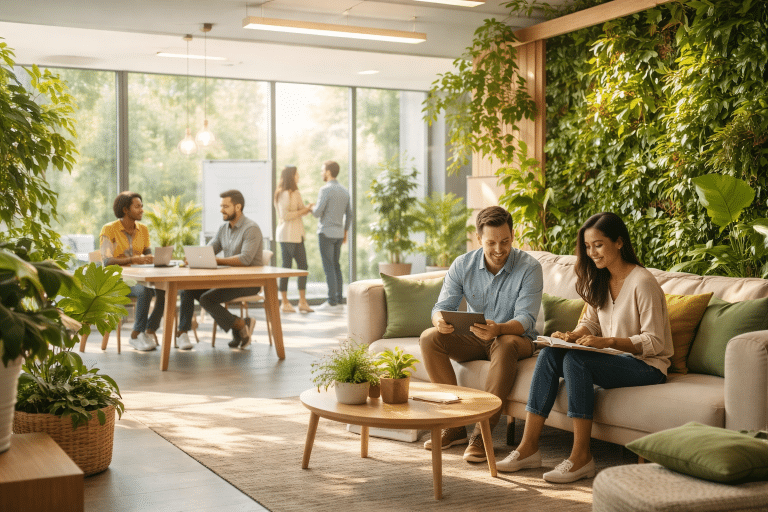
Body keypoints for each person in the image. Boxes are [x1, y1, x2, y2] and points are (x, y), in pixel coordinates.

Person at [497, 212, 672, 483]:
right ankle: (528, 447)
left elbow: (655, 342)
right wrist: (572, 335)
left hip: (647, 366)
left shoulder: (643, 282)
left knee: (576, 362)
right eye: (588, 247)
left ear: (619, 242)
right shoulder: (600, 277)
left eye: (598, 245)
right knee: (552, 352)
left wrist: (608, 341)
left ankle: (581, 457)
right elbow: (590, 322)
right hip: (613, 358)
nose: (592, 253)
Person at [420, 205, 542, 463]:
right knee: (430, 337)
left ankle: (481, 433)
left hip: (516, 339)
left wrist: (498, 329)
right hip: (476, 336)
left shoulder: (529, 267)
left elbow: (526, 319)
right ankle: (453, 426)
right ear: (479, 239)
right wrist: (439, 320)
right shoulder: (462, 264)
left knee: (506, 343)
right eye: (491, 243)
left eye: (505, 241)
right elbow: (441, 307)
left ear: (513, 235)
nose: (499, 250)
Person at [175, 189, 263, 350]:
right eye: (221, 206)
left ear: (238, 207)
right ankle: (183, 333)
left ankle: (240, 325)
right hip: (229, 280)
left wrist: (214, 259)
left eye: (225, 206)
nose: (221, 210)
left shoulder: (251, 229)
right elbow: (210, 250)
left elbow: (245, 259)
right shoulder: (224, 228)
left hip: (248, 282)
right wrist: (196, 258)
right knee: (187, 289)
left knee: (206, 299)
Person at [99, 191, 165, 352]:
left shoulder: (143, 229)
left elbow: (148, 254)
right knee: (145, 290)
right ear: (125, 210)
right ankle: (136, 334)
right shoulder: (109, 229)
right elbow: (107, 261)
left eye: (142, 206)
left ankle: (149, 330)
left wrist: (153, 258)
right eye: (137, 207)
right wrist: (132, 260)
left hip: (139, 277)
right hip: (116, 280)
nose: (142, 210)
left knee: (164, 290)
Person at [311, 160, 351, 310]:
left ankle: (331, 301)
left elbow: (317, 212)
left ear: (328, 172)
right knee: (336, 265)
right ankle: (339, 299)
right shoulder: (345, 190)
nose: (322, 173)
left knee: (329, 266)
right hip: (339, 233)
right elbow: (350, 215)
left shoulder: (325, 190)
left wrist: (310, 208)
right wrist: (345, 232)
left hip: (326, 232)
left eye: (322, 170)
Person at [274, 165, 314, 313]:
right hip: (286, 235)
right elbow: (285, 216)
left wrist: (307, 208)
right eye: (297, 174)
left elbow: (300, 210)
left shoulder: (295, 192)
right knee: (286, 268)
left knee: (303, 267)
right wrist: (304, 210)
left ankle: (302, 302)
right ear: (291, 176)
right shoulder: (283, 193)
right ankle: (284, 302)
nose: (298, 177)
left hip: (298, 235)